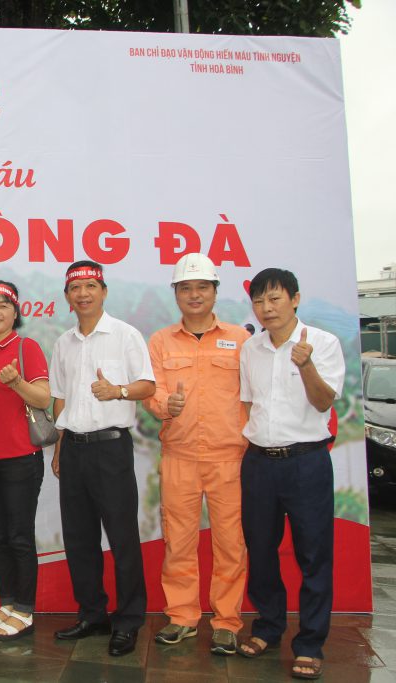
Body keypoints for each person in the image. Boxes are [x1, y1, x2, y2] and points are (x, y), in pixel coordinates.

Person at [237, 268, 344, 681]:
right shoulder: (251, 348)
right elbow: (250, 404)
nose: (266, 308)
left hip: (306, 463)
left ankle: (311, 643)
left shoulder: (322, 343)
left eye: (275, 298)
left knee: (313, 555)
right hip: (259, 463)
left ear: (295, 299)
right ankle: (268, 627)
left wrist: (307, 365)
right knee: (261, 550)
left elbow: (323, 402)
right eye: (259, 301)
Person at [142, 253, 250, 655]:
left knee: (230, 543)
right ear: (176, 294)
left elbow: (253, 394)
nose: (194, 294)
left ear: (215, 291)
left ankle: (226, 621)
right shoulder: (160, 341)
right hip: (180, 455)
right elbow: (152, 390)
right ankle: (182, 616)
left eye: (202, 286)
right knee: (179, 540)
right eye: (185, 288)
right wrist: (164, 405)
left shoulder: (240, 340)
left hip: (229, 456)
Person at [50, 260, 154, 656]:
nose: (83, 294)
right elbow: (60, 399)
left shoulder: (125, 335)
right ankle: (92, 614)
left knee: (122, 538)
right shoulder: (63, 343)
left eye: (91, 286)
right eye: (75, 288)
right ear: (67, 296)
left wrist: (118, 391)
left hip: (111, 448)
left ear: (104, 291)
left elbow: (148, 385)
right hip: (74, 449)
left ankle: (128, 621)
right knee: (79, 539)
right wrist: (59, 448)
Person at [0, 280, 50, 641]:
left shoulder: (25, 347)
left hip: (21, 458)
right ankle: (6, 605)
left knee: (19, 537)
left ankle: (24, 610)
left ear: (15, 313)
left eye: (4, 305)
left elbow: (44, 399)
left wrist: (16, 382)